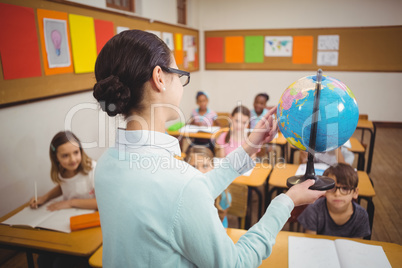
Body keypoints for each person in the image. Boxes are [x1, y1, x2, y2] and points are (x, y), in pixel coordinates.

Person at [92, 29, 325, 267]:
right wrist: (284, 204)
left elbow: (189, 197)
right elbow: (235, 263)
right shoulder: (180, 184)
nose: (182, 83)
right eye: (180, 74)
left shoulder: (106, 164)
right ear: (159, 78)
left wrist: (248, 147)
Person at [297, 163, 371, 238]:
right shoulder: (313, 210)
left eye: (345, 188)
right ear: (324, 189)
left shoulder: (361, 215)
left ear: (355, 192)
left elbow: (355, 246)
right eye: (332, 187)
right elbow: (311, 242)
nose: (337, 194)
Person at [29, 131, 97, 211]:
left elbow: (102, 202)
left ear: (81, 151)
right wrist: (45, 197)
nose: (73, 159)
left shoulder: (93, 169)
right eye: (65, 155)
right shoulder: (63, 170)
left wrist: (70, 203)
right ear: (56, 158)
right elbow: (66, 186)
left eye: (76, 152)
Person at [185, 146, 232, 228]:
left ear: (213, 168)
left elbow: (217, 228)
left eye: (205, 166)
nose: (200, 172)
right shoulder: (183, 192)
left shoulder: (223, 196)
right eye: (194, 167)